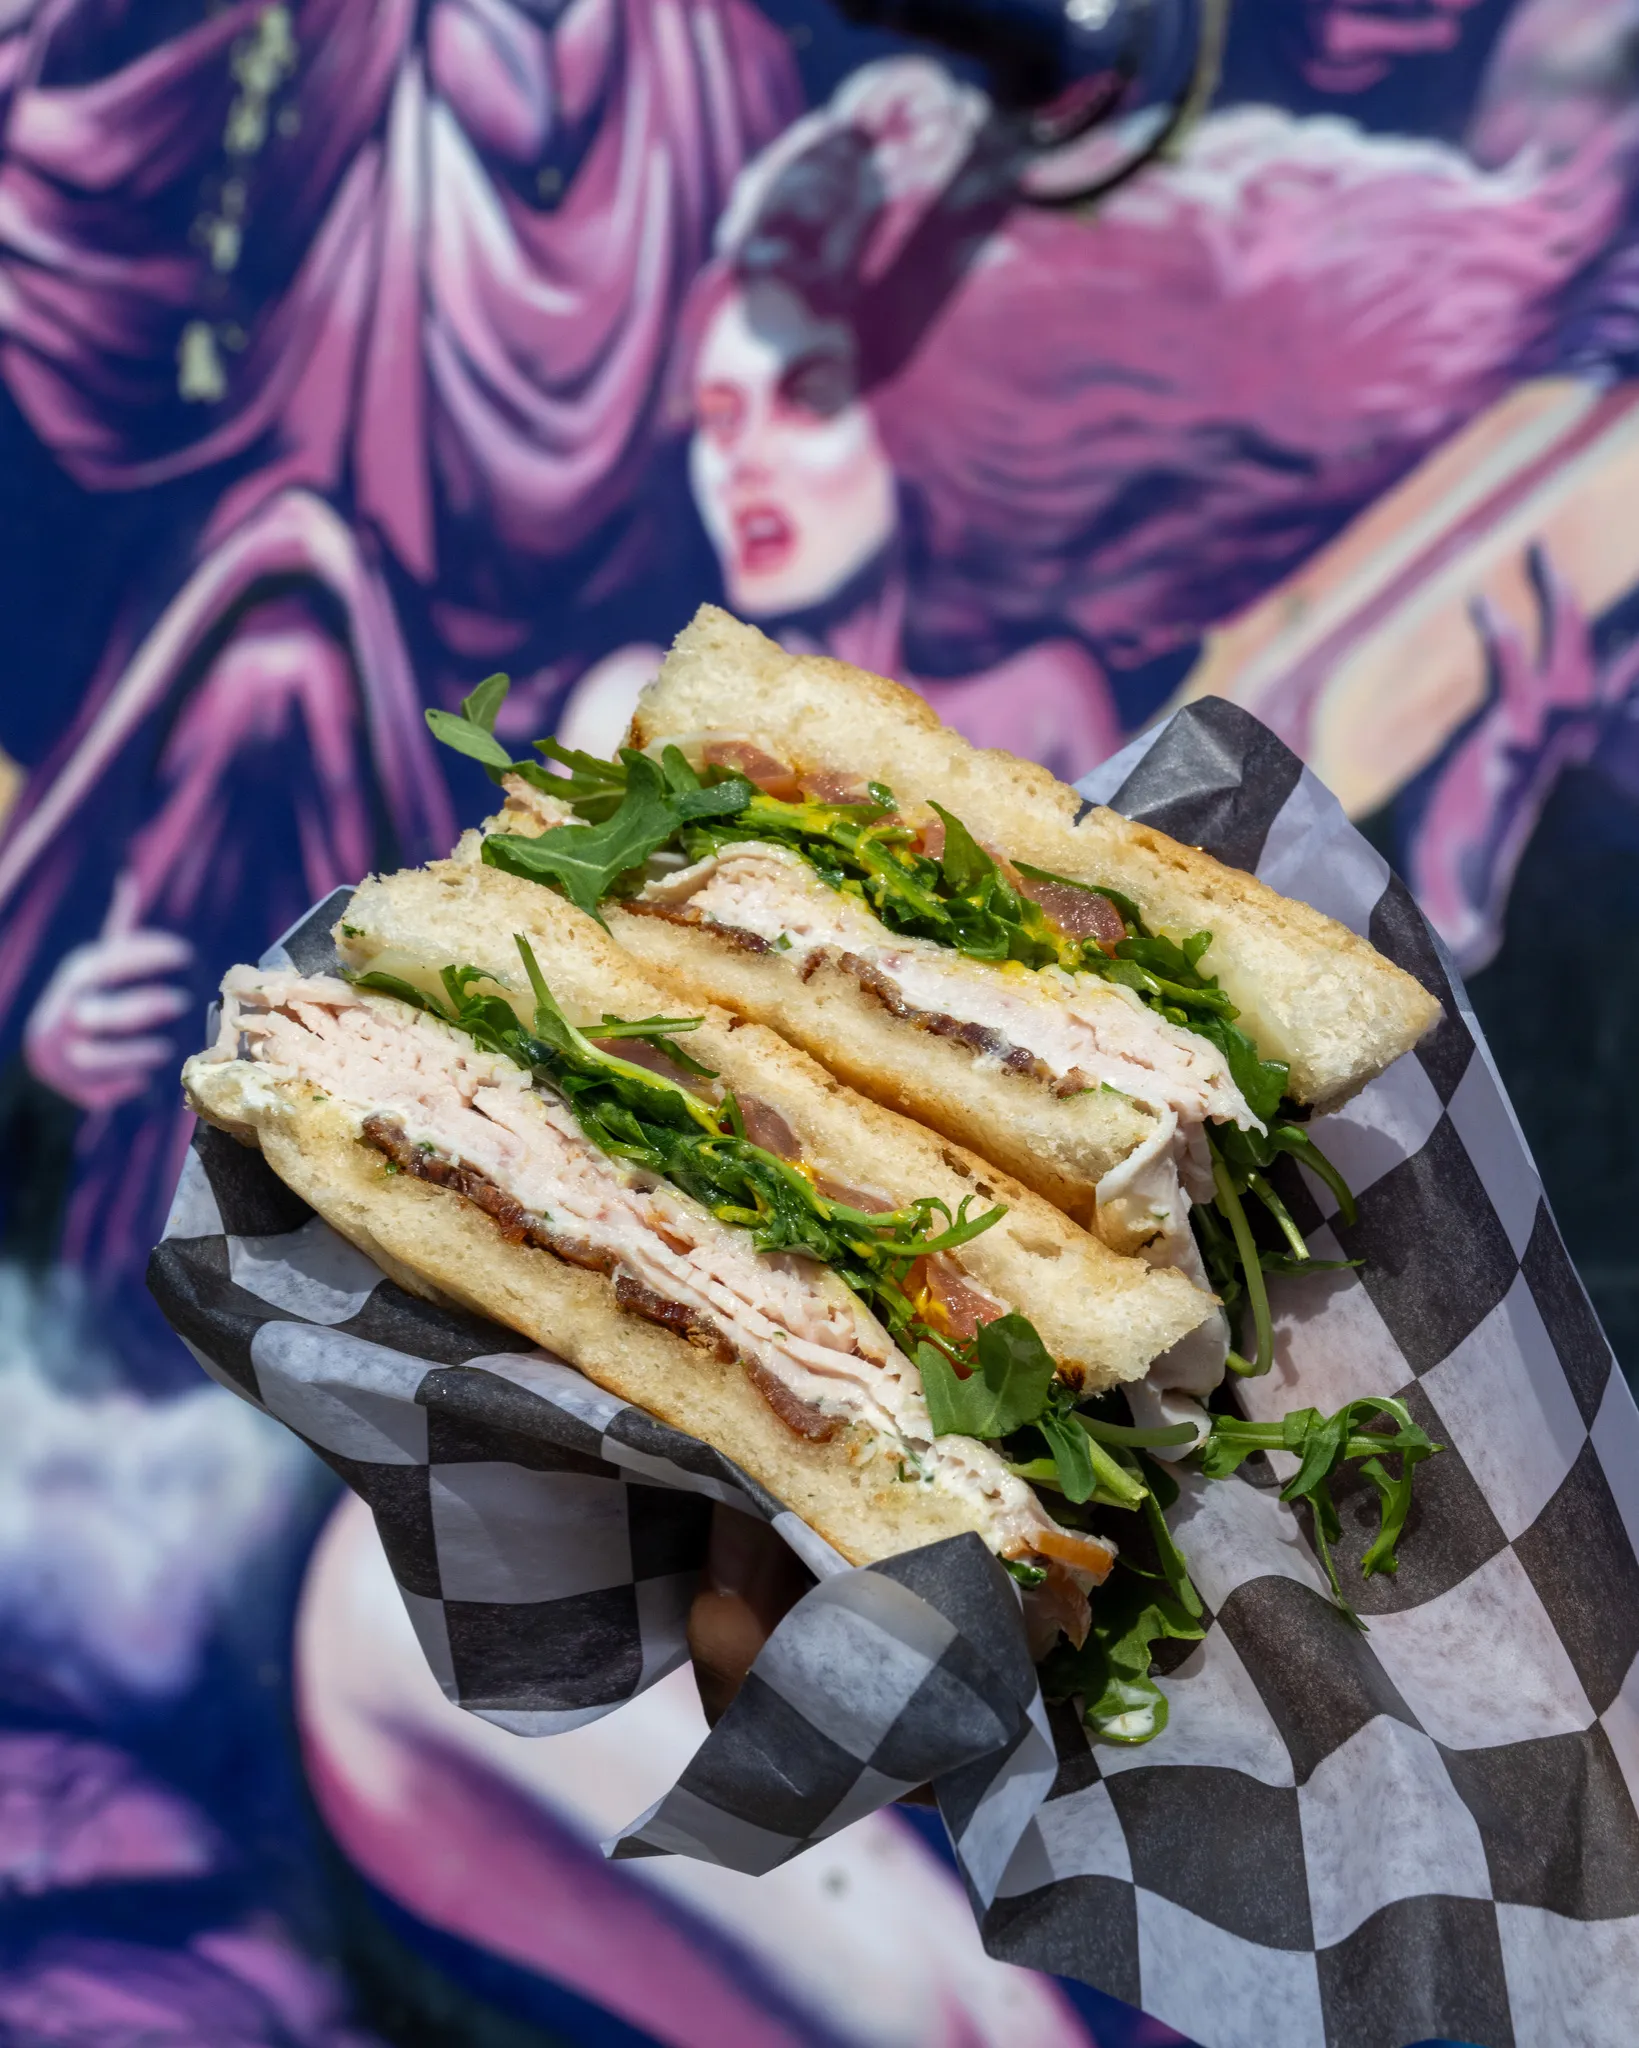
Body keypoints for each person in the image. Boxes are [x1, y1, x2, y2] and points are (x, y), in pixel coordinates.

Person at [559, 53, 1626, 784]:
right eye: (717, 416)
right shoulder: (646, 706)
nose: (741, 463)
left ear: (913, 416)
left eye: (807, 399)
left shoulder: (1038, 708)